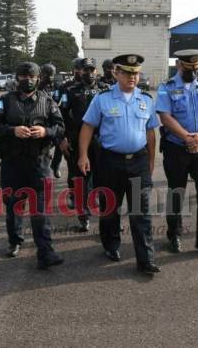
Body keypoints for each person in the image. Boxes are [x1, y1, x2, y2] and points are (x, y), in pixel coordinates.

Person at [78, 54, 160, 276]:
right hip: (110, 162)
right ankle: (111, 245)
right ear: (116, 73)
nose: (132, 77)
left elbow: (151, 133)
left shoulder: (146, 99)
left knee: (140, 212)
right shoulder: (102, 99)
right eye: (127, 72)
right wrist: (83, 155)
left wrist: (151, 163)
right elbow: (87, 127)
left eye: (135, 73)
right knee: (110, 209)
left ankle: (146, 259)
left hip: (138, 162)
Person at [0, 61, 65, 270]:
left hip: (39, 164)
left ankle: (45, 252)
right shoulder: (5, 101)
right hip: (12, 164)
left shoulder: (48, 102)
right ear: (17, 78)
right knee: (13, 207)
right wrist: (12, 131)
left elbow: (59, 127)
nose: (27, 79)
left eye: (31, 76)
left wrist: (45, 132)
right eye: (23, 76)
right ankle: (15, 241)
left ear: (38, 78)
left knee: (41, 211)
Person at [156, 49, 198, 257]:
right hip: (177, 148)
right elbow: (165, 116)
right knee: (177, 192)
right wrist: (187, 137)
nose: (192, 73)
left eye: (196, 69)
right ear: (178, 65)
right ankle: (174, 233)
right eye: (188, 69)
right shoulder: (166, 87)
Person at [59, 57, 108, 232]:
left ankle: (106, 216)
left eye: (91, 70)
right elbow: (61, 117)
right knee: (80, 179)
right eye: (85, 70)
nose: (88, 73)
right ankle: (83, 216)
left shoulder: (105, 90)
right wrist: (62, 138)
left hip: (101, 141)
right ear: (80, 71)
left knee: (103, 179)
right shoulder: (71, 91)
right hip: (77, 139)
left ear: (96, 71)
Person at [51, 58, 83, 178]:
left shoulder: (93, 87)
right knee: (71, 163)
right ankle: (55, 165)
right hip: (70, 129)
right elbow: (53, 103)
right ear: (74, 70)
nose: (81, 72)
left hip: (89, 131)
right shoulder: (65, 86)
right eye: (78, 69)